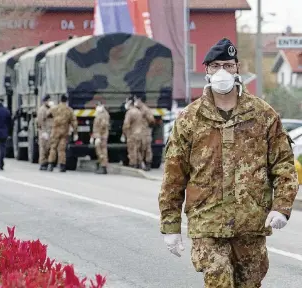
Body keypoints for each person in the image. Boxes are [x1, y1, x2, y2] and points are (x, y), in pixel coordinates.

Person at [158, 38, 299, 287]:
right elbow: (174, 176)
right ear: (207, 71)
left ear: (237, 68)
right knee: (218, 280)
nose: (221, 71)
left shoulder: (262, 114)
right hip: (207, 223)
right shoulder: (190, 119)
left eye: (227, 65)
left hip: (251, 223)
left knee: (250, 283)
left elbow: (283, 165)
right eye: (214, 66)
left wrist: (282, 206)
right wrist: (170, 225)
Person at [47, 95, 78, 172]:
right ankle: (62, 166)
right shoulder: (69, 110)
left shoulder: (55, 108)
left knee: (53, 147)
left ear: (60, 100)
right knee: (62, 149)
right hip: (64, 131)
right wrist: (75, 132)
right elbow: (74, 122)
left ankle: (50, 165)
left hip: (55, 131)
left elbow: (47, 114)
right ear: (66, 101)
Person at [134, 94, 155, 171]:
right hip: (139, 132)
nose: (135, 102)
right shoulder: (137, 109)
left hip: (145, 132)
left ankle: (148, 163)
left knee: (147, 148)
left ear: (140, 100)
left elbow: (151, 120)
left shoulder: (145, 109)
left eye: (136, 100)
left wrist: (148, 127)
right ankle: (140, 163)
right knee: (139, 147)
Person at [122, 97, 143, 169]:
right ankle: (139, 163)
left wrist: (124, 134)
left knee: (131, 150)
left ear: (129, 102)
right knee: (137, 149)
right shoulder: (138, 111)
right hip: (139, 134)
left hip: (132, 134)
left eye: (126, 102)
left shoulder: (129, 112)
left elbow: (126, 125)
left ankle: (133, 164)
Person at [90, 102, 110, 174]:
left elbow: (102, 126)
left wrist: (98, 137)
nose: (97, 107)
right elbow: (95, 127)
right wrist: (93, 136)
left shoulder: (104, 115)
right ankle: (101, 165)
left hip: (101, 136)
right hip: (99, 135)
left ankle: (103, 167)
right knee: (100, 151)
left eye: (98, 106)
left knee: (102, 151)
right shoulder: (99, 114)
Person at [37, 95, 54, 170]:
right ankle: (43, 163)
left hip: (50, 131)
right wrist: (43, 132)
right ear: (45, 101)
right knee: (43, 148)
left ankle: (46, 162)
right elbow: (40, 121)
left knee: (49, 147)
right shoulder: (42, 109)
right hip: (44, 131)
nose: (49, 102)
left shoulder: (51, 109)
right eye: (48, 101)